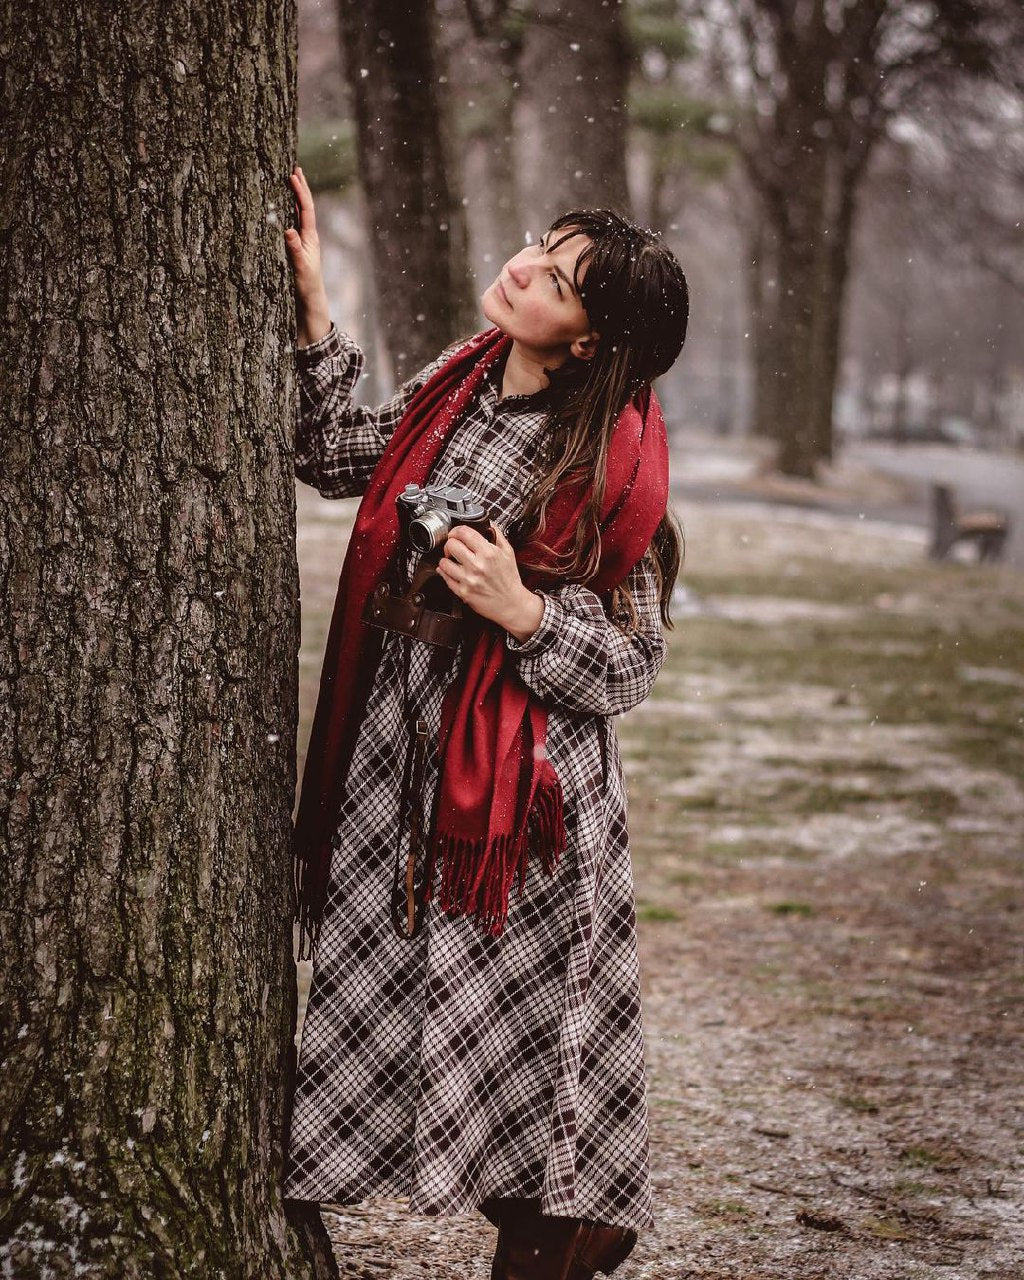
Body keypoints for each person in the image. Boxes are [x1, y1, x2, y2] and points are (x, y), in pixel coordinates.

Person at [281, 163, 689, 1279]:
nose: (522, 268)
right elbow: (331, 457)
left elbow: (631, 662)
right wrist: (314, 307)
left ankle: (558, 1229)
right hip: (395, 748)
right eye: (538, 248)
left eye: (556, 280)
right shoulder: (460, 384)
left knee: (521, 1017)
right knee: (393, 981)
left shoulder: (613, 468)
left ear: (594, 339)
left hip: (527, 798)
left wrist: (519, 611)